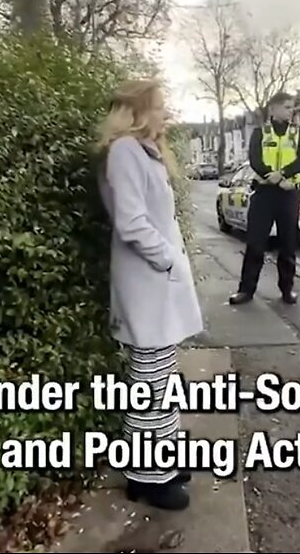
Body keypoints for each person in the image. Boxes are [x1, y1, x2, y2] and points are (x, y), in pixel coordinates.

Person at [95, 79, 204, 511]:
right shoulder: (124, 151)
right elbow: (132, 222)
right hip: (147, 281)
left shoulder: (143, 150)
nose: (165, 114)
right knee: (149, 384)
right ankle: (144, 477)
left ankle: (164, 461)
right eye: (158, 106)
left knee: (161, 379)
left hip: (157, 282)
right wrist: (169, 261)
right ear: (136, 111)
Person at [229, 92, 300, 306]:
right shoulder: (260, 133)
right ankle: (245, 290)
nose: (290, 111)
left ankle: (287, 290)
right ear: (273, 109)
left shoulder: (298, 133)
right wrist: (271, 176)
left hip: (288, 194)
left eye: (292, 107)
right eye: (286, 107)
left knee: (288, 245)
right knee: (255, 243)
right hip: (264, 194)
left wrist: (282, 174)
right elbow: (255, 160)